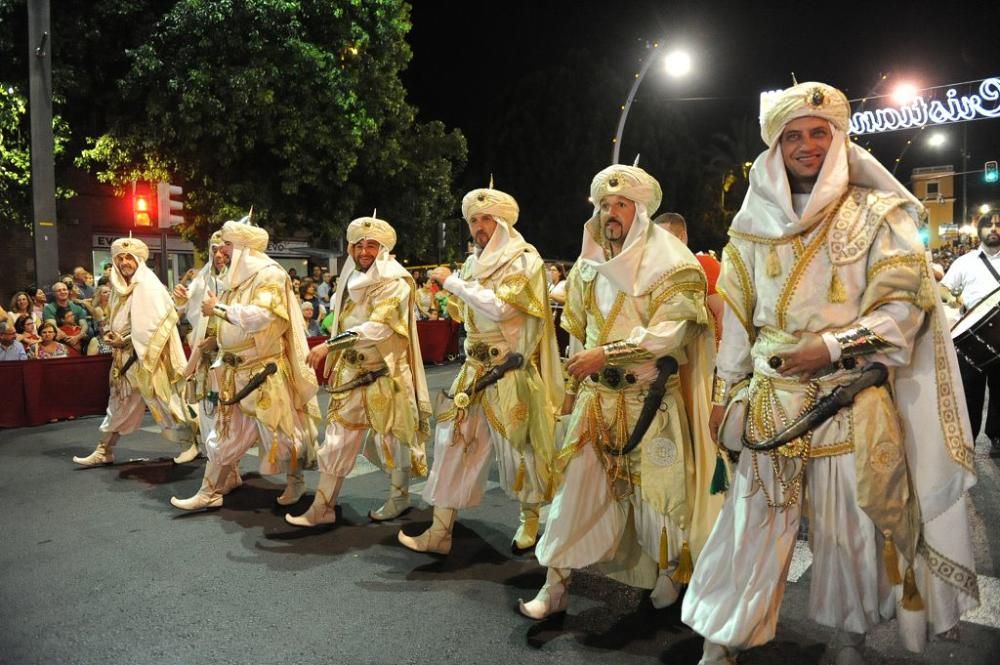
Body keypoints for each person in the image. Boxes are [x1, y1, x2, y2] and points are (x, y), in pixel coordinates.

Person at [681, 82, 979, 665]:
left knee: (850, 536)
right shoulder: (749, 225)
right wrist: (723, 394)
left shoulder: (877, 214)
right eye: (793, 135)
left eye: (820, 132)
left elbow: (903, 313)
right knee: (749, 527)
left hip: (848, 402)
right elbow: (736, 321)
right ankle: (723, 637)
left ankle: (851, 642)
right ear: (776, 147)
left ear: (839, 138)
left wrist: (830, 346)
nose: (807, 144)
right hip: (769, 402)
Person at [518, 165, 721, 619]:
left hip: (651, 403)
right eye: (605, 206)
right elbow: (577, 335)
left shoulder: (675, 266)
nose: (611, 214)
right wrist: (574, 388)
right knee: (573, 494)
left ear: (641, 211)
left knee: (662, 502)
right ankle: (555, 585)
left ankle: (671, 573)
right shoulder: (589, 270)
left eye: (621, 205)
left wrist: (604, 356)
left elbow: (670, 334)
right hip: (596, 404)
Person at [398, 184, 564, 555]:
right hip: (473, 369)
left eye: (486, 218)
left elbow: (504, 309)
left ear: (503, 221)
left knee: (522, 451)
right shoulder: (474, 263)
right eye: (473, 220)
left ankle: (530, 519)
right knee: (451, 443)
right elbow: (472, 310)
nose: (479, 226)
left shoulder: (524, 260)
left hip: (509, 370)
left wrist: (454, 283)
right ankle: (440, 532)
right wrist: (455, 298)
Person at [286, 216, 431, 527]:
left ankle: (399, 497)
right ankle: (322, 507)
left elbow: (378, 328)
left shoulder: (394, 281)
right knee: (337, 441)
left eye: (371, 245)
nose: (364, 251)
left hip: (385, 374)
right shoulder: (349, 279)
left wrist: (329, 346)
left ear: (383, 248)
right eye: (358, 245)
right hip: (351, 371)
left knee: (393, 441)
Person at [170, 215, 321, 512]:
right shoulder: (232, 277)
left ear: (241, 246)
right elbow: (227, 323)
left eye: (225, 245)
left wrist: (220, 309)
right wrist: (215, 341)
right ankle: (210, 491)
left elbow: (263, 316)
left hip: (264, 372)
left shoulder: (270, 274)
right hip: (232, 371)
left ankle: (296, 481)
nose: (219, 251)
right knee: (223, 434)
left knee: (282, 435)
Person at [72, 237, 197, 466]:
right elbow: (119, 320)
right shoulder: (118, 287)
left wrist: (126, 340)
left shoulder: (148, 285)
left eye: (129, 257)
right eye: (120, 257)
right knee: (119, 403)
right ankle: (104, 450)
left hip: (149, 358)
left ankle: (190, 444)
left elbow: (157, 324)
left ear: (139, 259)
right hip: (124, 359)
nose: (124, 262)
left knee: (165, 402)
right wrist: (112, 334)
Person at [940, 210, 1000, 457]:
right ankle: (968, 440)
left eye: (998, 224)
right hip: (971, 339)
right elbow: (943, 288)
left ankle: (996, 435)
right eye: (989, 225)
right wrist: (954, 298)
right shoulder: (964, 262)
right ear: (980, 231)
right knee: (969, 394)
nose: (994, 228)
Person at [172, 230, 230, 465]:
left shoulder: (242, 280)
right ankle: (212, 456)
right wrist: (179, 298)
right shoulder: (201, 279)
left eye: (223, 249)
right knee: (207, 403)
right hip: (204, 354)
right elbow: (180, 308)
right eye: (214, 250)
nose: (218, 255)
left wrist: (217, 339)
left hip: (231, 354)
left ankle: (225, 459)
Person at [655, 212, 724, 345]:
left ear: (681, 237)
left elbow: (723, 312)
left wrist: (725, 358)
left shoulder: (702, 264)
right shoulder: (659, 276)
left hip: (709, 357)